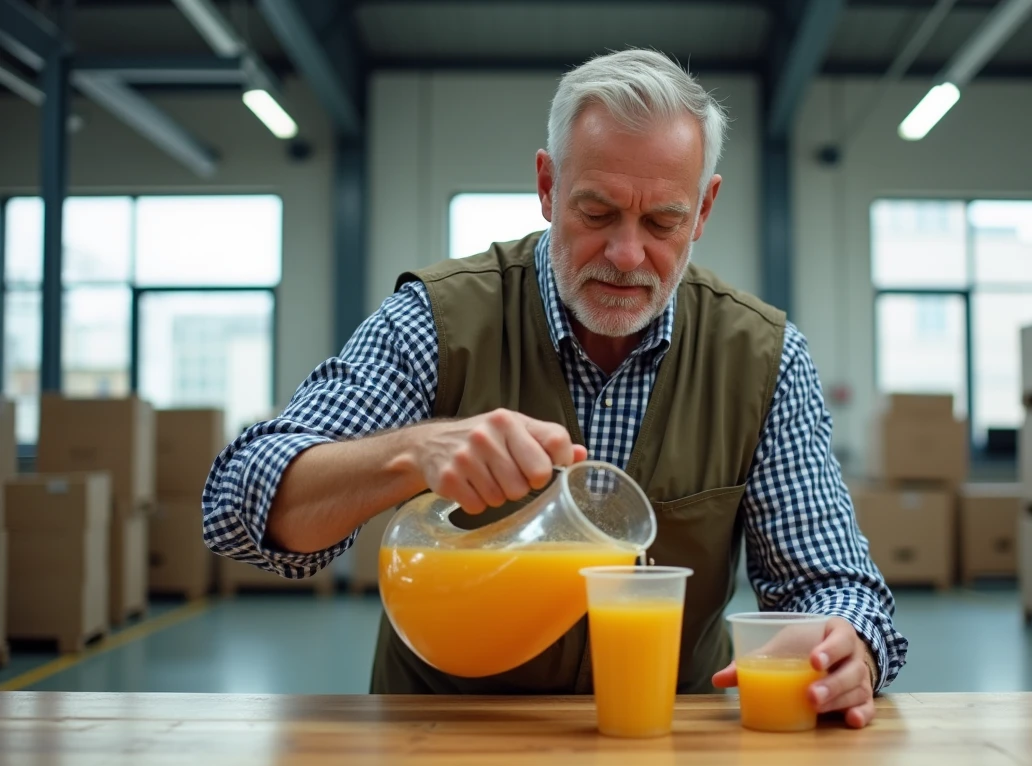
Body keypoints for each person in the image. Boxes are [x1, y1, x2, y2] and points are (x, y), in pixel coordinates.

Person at [201, 47, 907, 729]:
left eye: (664, 221)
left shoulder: (762, 359)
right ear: (547, 187)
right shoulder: (438, 324)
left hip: (665, 747)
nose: (627, 255)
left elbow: (830, 581)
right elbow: (239, 505)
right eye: (596, 213)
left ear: (705, 208)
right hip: (443, 744)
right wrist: (412, 453)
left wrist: (850, 644)